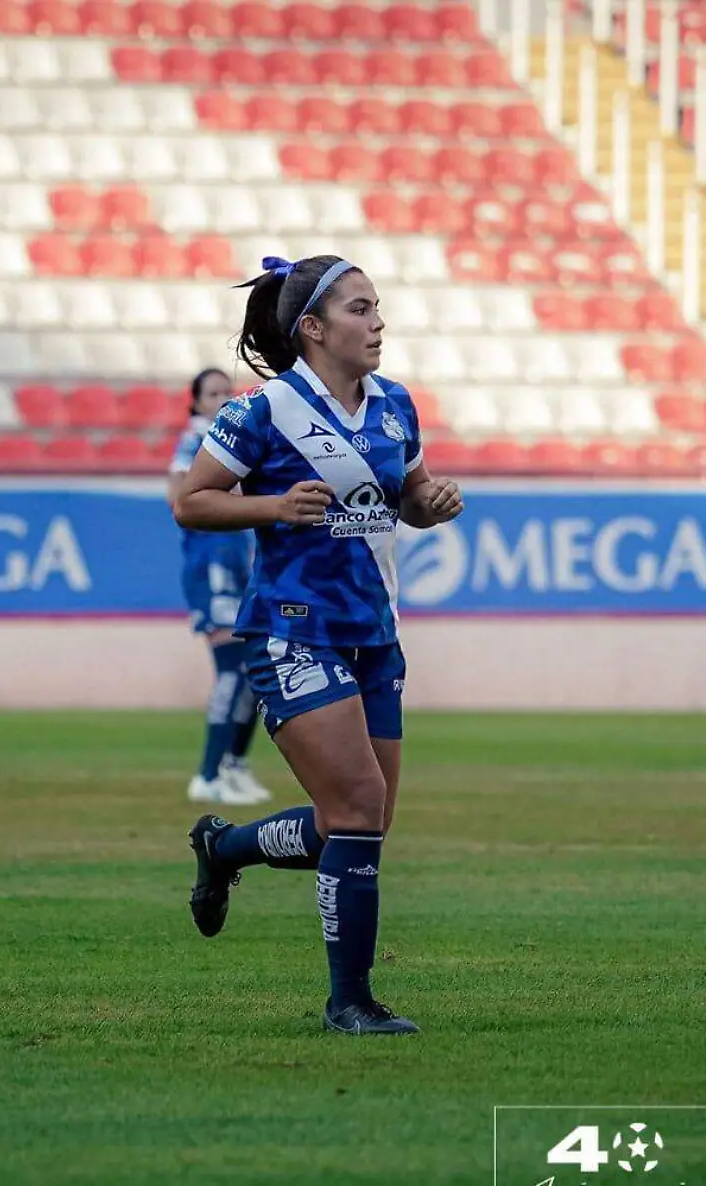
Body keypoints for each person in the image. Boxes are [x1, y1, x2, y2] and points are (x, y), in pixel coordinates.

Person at [173, 255, 463, 1035]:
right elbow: (190, 501)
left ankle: (227, 847)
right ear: (313, 327)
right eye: (361, 309)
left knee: (359, 823)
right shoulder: (263, 411)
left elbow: (408, 498)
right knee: (360, 806)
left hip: (375, 633)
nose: (378, 323)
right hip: (293, 630)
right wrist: (272, 504)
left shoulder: (395, 404)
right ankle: (350, 1001)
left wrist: (432, 504)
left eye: (378, 309)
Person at [167, 367, 272, 808]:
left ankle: (233, 765)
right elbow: (179, 498)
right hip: (212, 571)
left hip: (239, 567)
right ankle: (208, 773)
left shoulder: (235, 442)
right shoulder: (196, 441)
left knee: (254, 674)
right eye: (212, 393)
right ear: (195, 402)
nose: (221, 400)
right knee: (232, 669)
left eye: (227, 393)